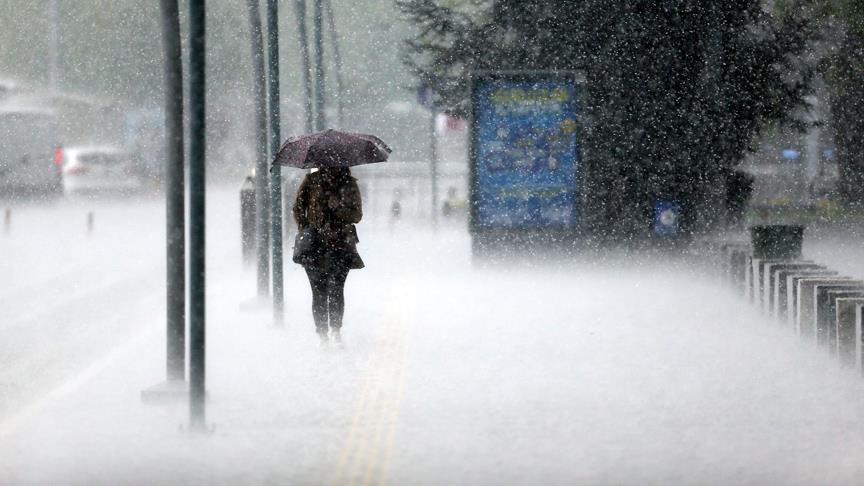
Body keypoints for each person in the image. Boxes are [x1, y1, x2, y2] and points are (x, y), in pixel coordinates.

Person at [293, 166, 364, 346]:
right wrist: (306, 228)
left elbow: (356, 215)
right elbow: (298, 208)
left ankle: (335, 330)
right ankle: (322, 334)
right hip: (314, 246)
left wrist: (338, 207)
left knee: (336, 289)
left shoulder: (349, 183)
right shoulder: (311, 181)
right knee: (318, 291)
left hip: (340, 244)